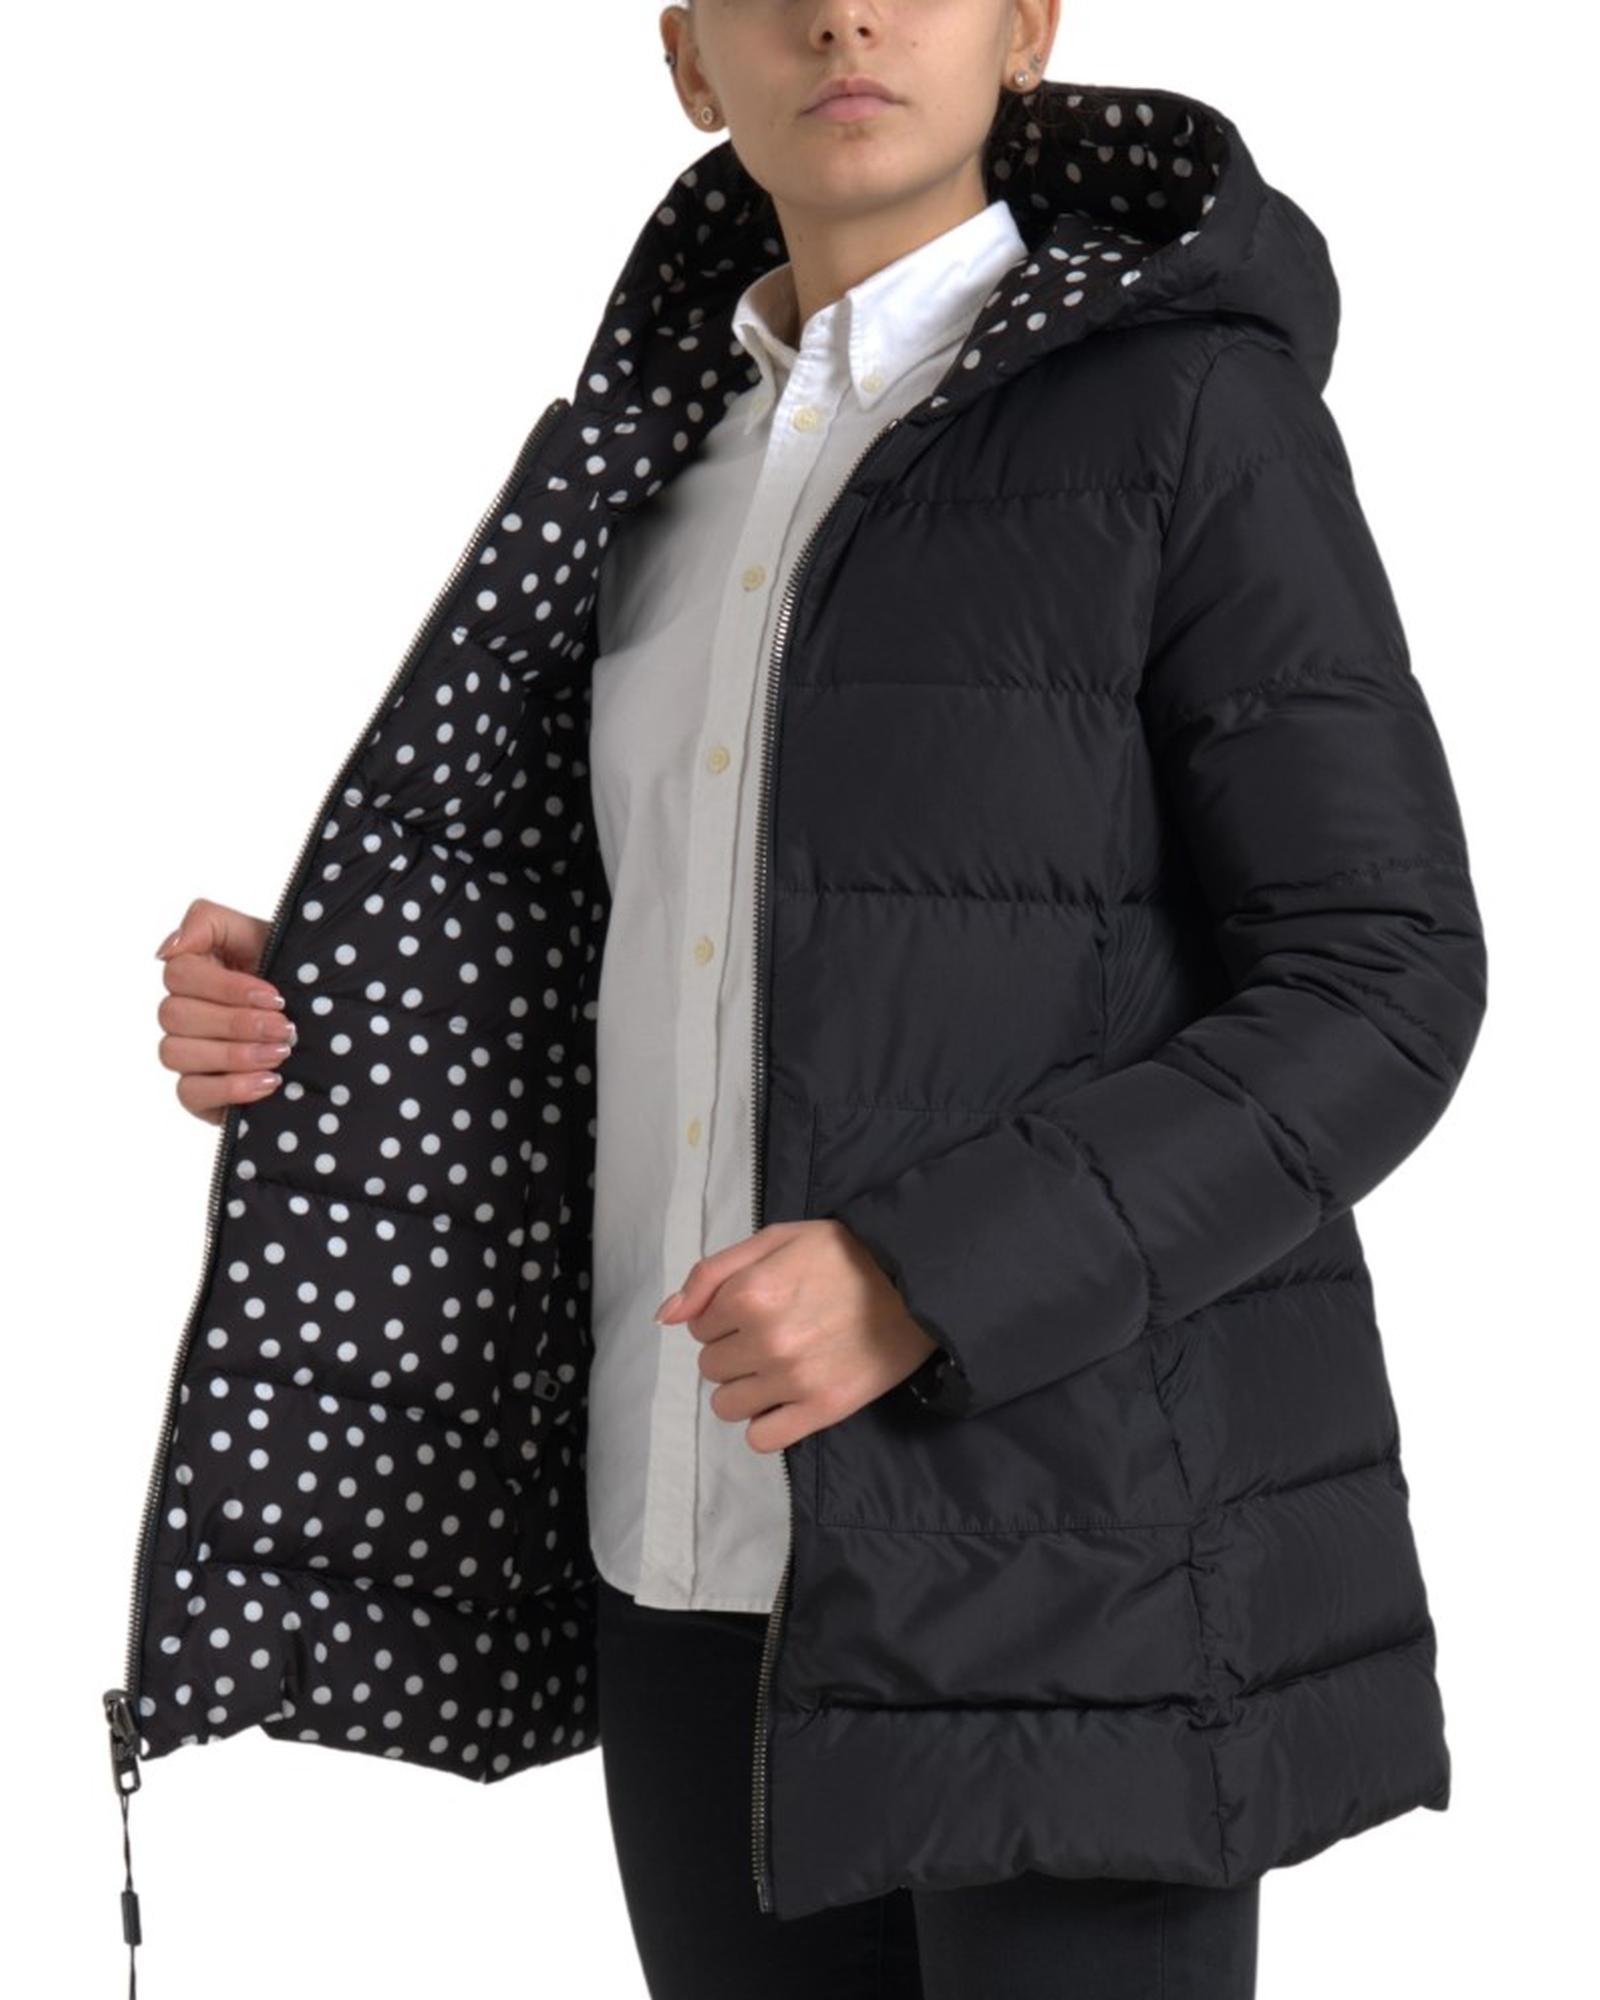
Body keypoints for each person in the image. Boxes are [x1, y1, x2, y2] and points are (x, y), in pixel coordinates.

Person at [140, 3, 1486, 1996]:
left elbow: (1383, 981)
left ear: (1023, 28)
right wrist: (328, 1015)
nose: (842, 12)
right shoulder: (653, 455)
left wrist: (926, 1276)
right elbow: (663, 950)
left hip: (1079, 1573)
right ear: (687, 58)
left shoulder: (1189, 414)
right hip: (692, 1548)